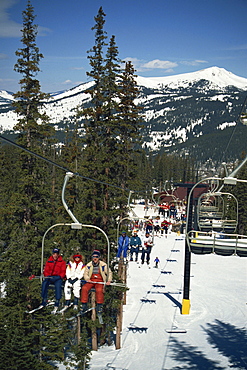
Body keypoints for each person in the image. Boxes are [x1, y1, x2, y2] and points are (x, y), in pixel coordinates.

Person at [81, 250, 112, 316]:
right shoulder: (89, 265)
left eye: (96, 257)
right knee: (84, 288)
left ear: (99, 258)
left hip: (99, 280)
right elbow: (85, 273)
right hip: (91, 280)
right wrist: (87, 279)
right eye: (93, 257)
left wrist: (108, 280)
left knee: (99, 290)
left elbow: (109, 273)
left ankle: (99, 305)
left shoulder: (103, 265)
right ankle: (84, 304)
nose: (95, 259)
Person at [41, 247, 66, 314]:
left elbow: (63, 271)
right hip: (50, 277)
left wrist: (60, 276)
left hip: (57, 277)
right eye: (54, 254)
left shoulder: (62, 262)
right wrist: (47, 275)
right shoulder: (49, 261)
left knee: (58, 286)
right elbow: (46, 270)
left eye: (56, 254)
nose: (55, 255)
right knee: (44, 283)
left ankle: (57, 301)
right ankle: (44, 299)